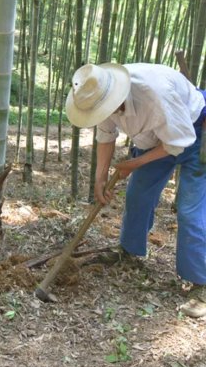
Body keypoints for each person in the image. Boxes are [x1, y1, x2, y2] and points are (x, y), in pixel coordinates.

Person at [66, 62, 206, 318]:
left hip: (195, 133)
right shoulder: (97, 94)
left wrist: (134, 163)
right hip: (154, 139)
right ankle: (129, 251)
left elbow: (177, 144)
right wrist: (100, 178)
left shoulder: (154, 93)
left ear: (116, 97)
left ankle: (201, 283)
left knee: (190, 210)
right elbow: (106, 137)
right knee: (137, 196)